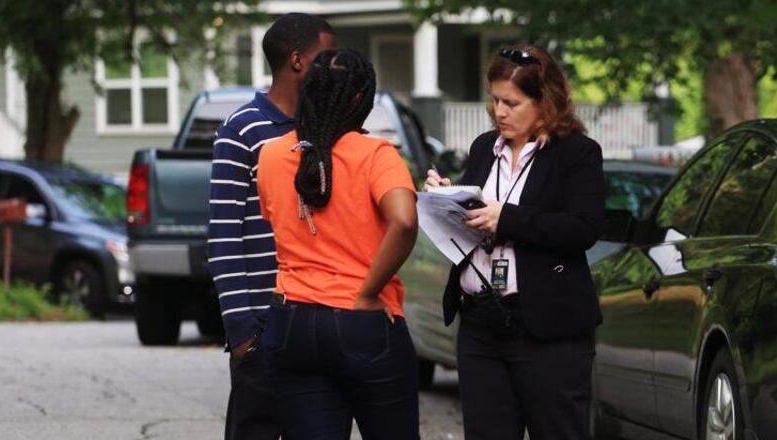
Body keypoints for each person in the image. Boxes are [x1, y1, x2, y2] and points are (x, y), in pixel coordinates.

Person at [423, 43, 605, 440]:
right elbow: (478, 215)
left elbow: (584, 229)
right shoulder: (483, 149)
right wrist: (451, 200)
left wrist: (507, 218)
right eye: (495, 100)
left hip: (546, 328)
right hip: (480, 322)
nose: (499, 111)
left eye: (512, 102)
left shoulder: (577, 153)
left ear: (546, 102)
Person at [256, 49, 420, 440]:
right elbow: (405, 219)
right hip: (359, 321)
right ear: (358, 100)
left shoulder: (272, 154)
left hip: (291, 320)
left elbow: (275, 218)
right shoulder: (377, 155)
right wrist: (367, 293)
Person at [206, 13, 335, 440]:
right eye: (326, 56)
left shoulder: (325, 130)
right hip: (262, 328)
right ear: (298, 61)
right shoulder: (241, 129)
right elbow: (223, 236)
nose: (334, 66)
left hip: (317, 324)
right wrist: (241, 331)